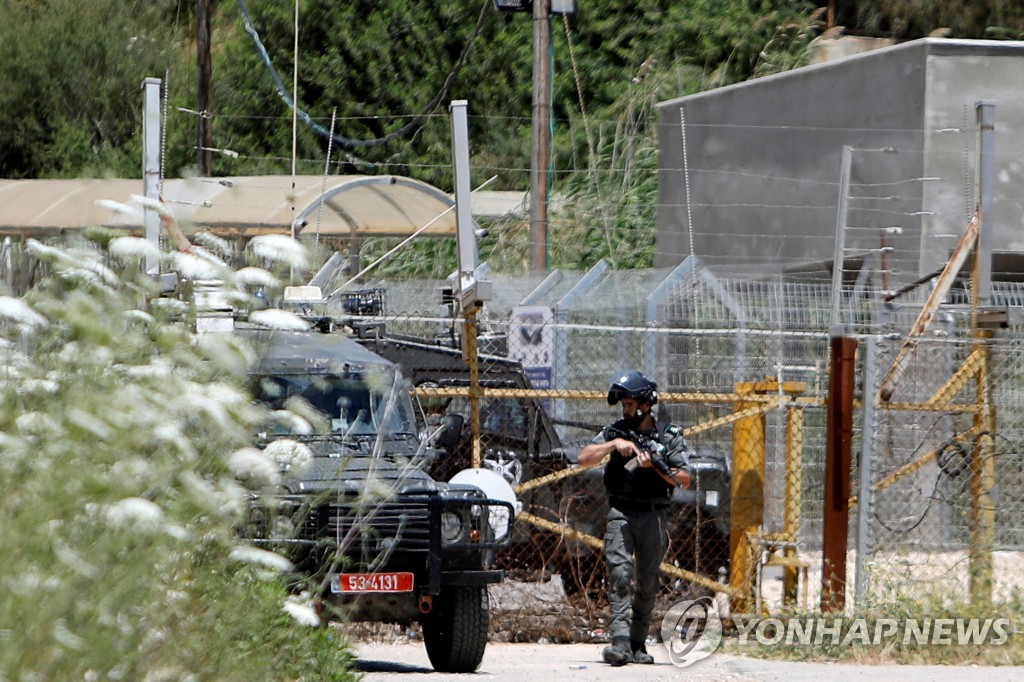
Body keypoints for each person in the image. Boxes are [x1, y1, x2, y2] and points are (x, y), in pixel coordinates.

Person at [577, 370, 692, 666]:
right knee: (618, 573)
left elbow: (685, 480)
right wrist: (613, 446)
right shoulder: (616, 431)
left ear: (644, 405)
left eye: (630, 405)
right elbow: (584, 457)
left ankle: (638, 643)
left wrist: (654, 464)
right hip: (621, 511)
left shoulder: (668, 435)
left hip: (653, 515)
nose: (625, 411)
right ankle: (619, 641)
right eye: (623, 406)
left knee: (648, 581)